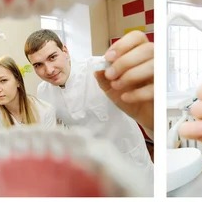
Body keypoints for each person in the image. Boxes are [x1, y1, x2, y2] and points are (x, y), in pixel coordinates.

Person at [24, 29, 154, 179]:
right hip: (92, 170)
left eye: (53, 57)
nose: (49, 70)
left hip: (131, 164)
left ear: (65, 51)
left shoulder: (101, 70)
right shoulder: (43, 91)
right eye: (38, 65)